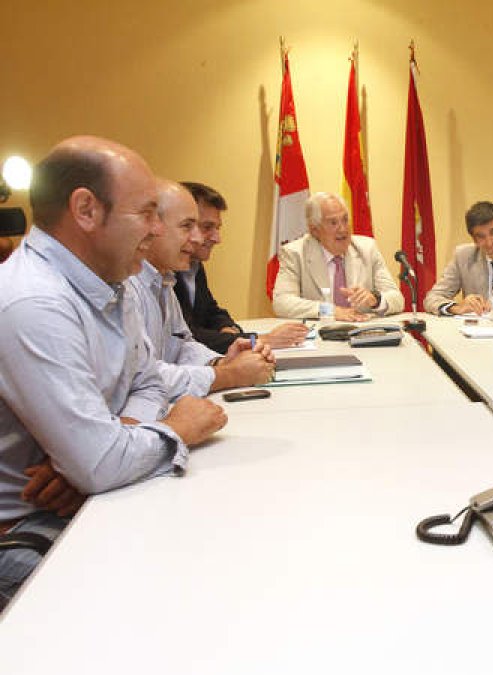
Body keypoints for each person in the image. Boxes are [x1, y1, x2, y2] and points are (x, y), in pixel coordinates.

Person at [0, 137, 226, 609]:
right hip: (25, 525)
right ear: (85, 209)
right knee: (186, 595)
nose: (156, 229)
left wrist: (107, 443)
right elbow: (99, 464)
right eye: (146, 213)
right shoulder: (35, 301)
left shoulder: (109, 281)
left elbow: (143, 383)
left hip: (84, 497)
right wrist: (174, 427)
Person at [125, 180, 275, 400]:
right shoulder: (127, 284)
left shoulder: (163, 279)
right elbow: (141, 377)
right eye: (187, 226)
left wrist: (220, 361)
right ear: (153, 226)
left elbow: (183, 345)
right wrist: (229, 374)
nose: (197, 239)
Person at [178, 182, 308, 350]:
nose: (217, 239)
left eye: (217, 228)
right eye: (207, 227)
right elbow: (184, 337)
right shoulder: (164, 273)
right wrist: (260, 339)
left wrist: (228, 329)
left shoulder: (194, 264)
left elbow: (212, 312)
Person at [272, 192, 404, 321]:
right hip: (319, 337)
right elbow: (282, 302)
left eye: (345, 220)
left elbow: (397, 299)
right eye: (333, 223)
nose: (343, 229)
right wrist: (330, 311)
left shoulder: (367, 249)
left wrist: (376, 299)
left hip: (362, 334)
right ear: (314, 230)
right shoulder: (295, 253)